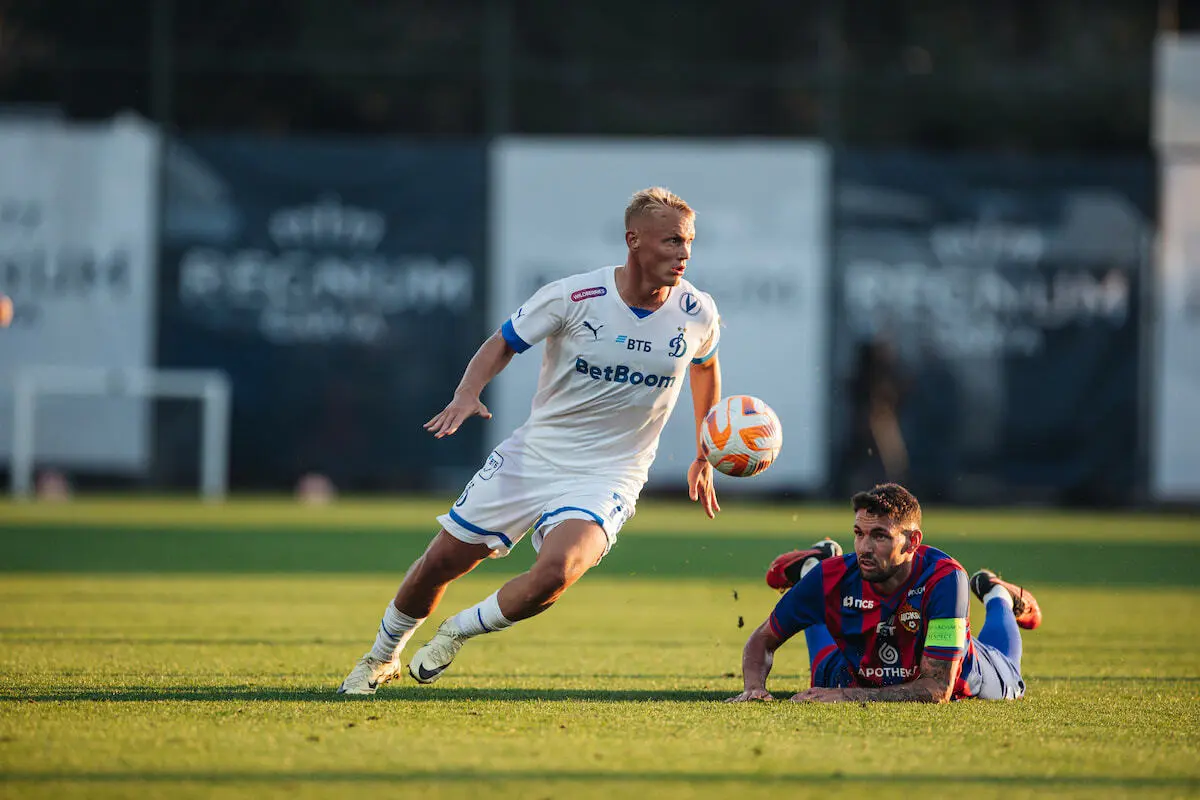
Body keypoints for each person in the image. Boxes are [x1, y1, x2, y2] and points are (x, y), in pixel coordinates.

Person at [338, 186, 724, 694]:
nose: (684, 253)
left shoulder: (697, 311)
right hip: (534, 456)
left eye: (689, 241)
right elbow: (504, 342)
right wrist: (466, 392)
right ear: (634, 240)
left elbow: (706, 367)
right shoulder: (574, 295)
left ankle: (458, 631)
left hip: (611, 472)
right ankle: (381, 657)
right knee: (440, 563)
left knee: (557, 572)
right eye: (672, 240)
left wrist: (705, 450)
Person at [728, 483, 1042, 703]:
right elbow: (762, 639)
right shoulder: (835, 575)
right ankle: (811, 567)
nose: (864, 547)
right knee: (823, 607)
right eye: (858, 533)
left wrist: (847, 696)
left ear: (913, 541)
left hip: (965, 677)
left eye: (879, 536)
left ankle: (996, 595)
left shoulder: (944, 579)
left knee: (1011, 677)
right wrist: (754, 688)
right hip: (854, 667)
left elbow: (937, 688)